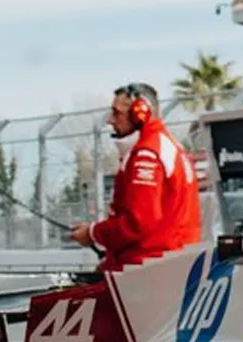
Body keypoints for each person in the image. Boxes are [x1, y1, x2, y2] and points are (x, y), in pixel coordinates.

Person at [70, 83, 200, 273]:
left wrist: (92, 233)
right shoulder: (169, 146)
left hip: (150, 270)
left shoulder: (146, 154)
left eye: (117, 113)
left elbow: (138, 223)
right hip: (171, 265)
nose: (110, 120)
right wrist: (110, 261)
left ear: (140, 113)